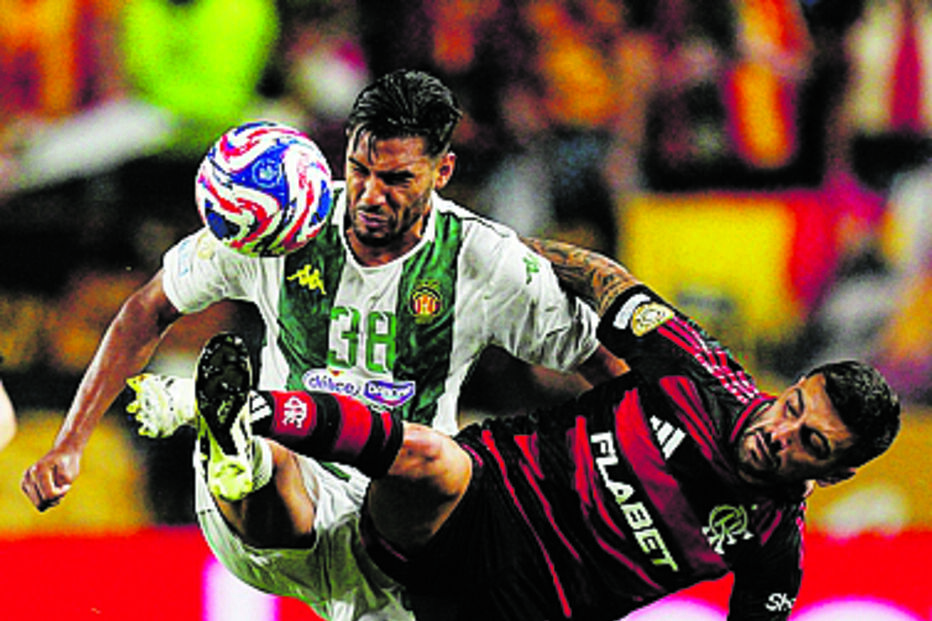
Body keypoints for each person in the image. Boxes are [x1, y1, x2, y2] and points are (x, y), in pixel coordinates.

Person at [21, 69, 619, 620]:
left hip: (395, 529)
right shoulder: (280, 221)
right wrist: (69, 443)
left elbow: (601, 363)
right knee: (272, 451)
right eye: (359, 169)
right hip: (280, 504)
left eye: (396, 179)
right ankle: (239, 451)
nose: (369, 195)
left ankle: (234, 437)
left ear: (443, 172)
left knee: (438, 471)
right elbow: (147, 307)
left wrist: (661, 468)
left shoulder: (485, 262)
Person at [190, 237, 901, 621]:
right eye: (793, 408)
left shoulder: (773, 549)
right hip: (480, 502)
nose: (783, 431)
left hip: (522, 609)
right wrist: (493, 252)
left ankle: (250, 448)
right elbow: (600, 276)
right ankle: (253, 411)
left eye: (811, 442)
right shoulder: (698, 372)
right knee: (429, 453)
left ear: (833, 473)